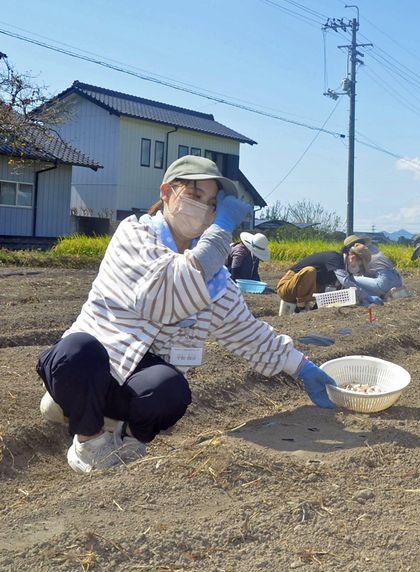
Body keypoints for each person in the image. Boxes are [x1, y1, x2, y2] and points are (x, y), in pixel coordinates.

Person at [35, 156, 338, 474]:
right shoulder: (134, 237)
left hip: (135, 380)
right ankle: (89, 443)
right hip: (95, 367)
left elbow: (246, 332)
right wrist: (221, 230)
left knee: (170, 389)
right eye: (194, 195)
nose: (203, 208)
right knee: (77, 351)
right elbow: (167, 293)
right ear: (166, 192)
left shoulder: (216, 277)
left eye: (211, 204)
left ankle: (126, 438)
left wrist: (302, 367)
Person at [276, 248, 382, 315]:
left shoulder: (345, 267)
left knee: (333, 287)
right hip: (287, 287)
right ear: (353, 258)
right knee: (310, 271)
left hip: (305, 289)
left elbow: (352, 284)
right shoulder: (335, 259)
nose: (359, 268)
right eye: (360, 265)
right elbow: (346, 281)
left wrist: (367, 296)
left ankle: (311, 309)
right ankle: (301, 306)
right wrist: (365, 296)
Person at [342, 234, 406, 299]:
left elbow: (359, 274)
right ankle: (392, 292)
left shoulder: (359, 252)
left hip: (384, 281)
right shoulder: (373, 248)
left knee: (351, 279)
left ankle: (382, 294)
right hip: (397, 279)